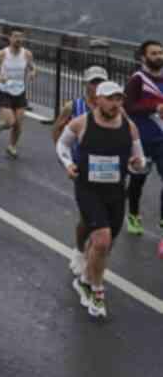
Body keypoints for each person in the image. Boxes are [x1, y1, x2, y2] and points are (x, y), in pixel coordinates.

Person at [56, 81, 146, 319]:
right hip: (88, 189)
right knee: (103, 239)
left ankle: (85, 279)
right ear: (97, 100)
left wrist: (137, 165)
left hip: (115, 191)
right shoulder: (82, 122)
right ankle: (97, 289)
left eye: (119, 99)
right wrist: (68, 164)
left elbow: (140, 160)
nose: (115, 104)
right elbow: (62, 145)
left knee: (105, 244)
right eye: (110, 98)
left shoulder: (130, 127)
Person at [51, 65, 108, 274]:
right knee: (88, 215)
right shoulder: (73, 106)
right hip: (82, 169)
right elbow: (57, 129)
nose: (97, 86)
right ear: (86, 84)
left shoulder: (114, 107)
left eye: (101, 82)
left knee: (106, 216)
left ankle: (96, 251)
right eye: (93, 82)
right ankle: (79, 250)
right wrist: (65, 160)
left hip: (109, 169)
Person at [123, 39, 163, 240]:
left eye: (160, 53)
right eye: (154, 53)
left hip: (162, 140)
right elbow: (128, 106)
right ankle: (133, 216)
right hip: (143, 140)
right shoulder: (137, 79)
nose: (159, 56)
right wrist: (154, 108)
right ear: (144, 57)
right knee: (138, 181)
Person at [0, 28, 37, 159]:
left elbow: (33, 67)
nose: (18, 39)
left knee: (19, 124)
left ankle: (12, 147)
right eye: (15, 37)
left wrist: (33, 73)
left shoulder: (27, 54)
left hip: (20, 91)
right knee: (10, 121)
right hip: (5, 91)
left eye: (20, 37)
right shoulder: (3, 54)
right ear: (10, 38)